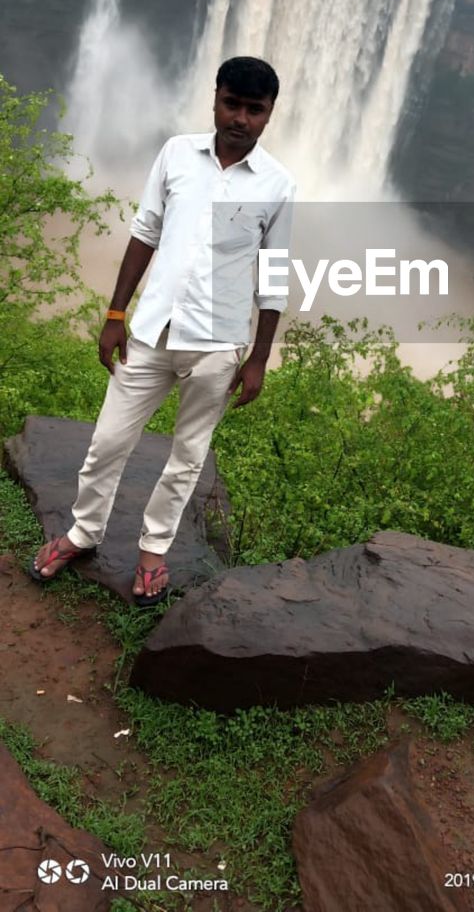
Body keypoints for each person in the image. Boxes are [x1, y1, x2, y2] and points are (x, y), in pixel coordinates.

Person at [30, 56, 295, 607]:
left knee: (188, 455)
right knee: (107, 441)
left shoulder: (277, 184)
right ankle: (84, 532)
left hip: (218, 344)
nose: (240, 118)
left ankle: (154, 552)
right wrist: (115, 313)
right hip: (152, 330)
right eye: (232, 103)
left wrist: (259, 359)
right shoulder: (177, 153)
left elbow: (274, 276)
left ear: (269, 115)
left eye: (254, 109)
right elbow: (145, 233)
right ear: (215, 98)